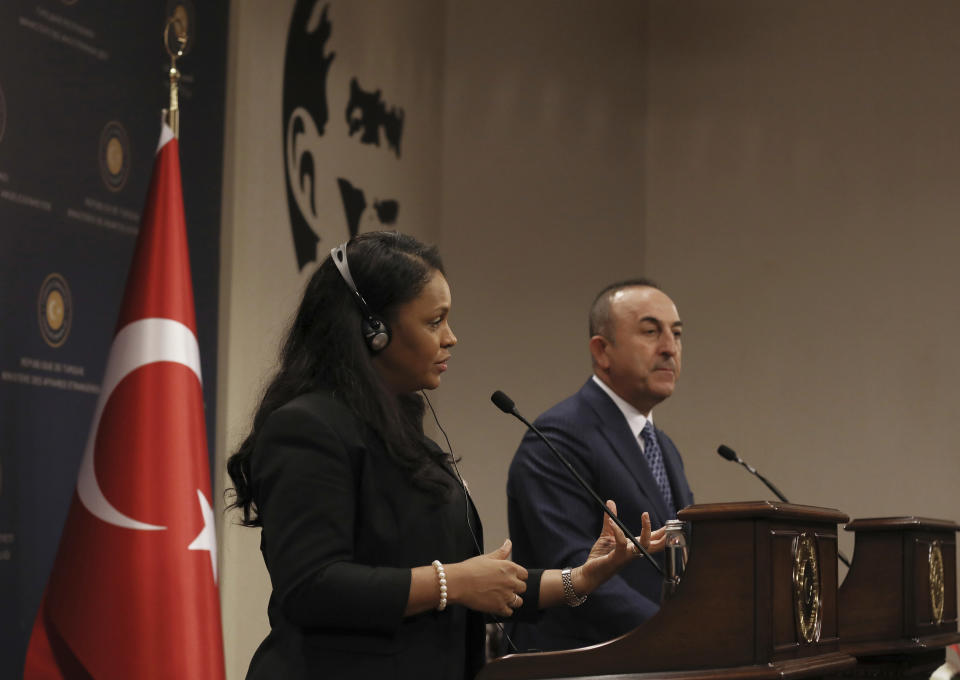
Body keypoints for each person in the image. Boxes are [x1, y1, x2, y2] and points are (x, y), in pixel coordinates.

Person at [226, 233, 665, 680]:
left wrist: (582, 579)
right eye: (434, 321)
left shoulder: (408, 440)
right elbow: (311, 586)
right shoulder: (307, 427)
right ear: (373, 330)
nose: (451, 338)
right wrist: (452, 582)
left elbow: (474, 583)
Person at [506, 278, 695, 652]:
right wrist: (678, 633)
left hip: (657, 658)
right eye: (650, 332)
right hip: (581, 662)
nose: (669, 349)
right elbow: (575, 570)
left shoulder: (664, 446)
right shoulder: (557, 437)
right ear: (602, 350)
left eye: (676, 334)